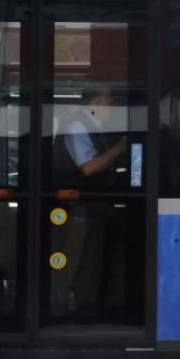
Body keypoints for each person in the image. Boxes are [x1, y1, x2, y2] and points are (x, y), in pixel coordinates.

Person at [52, 88, 127, 320]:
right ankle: (62, 309)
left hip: (93, 207)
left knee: (90, 260)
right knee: (76, 259)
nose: (111, 110)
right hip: (79, 209)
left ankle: (86, 306)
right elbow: (89, 167)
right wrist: (119, 149)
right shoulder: (77, 127)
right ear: (95, 102)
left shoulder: (93, 127)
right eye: (109, 104)